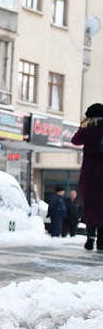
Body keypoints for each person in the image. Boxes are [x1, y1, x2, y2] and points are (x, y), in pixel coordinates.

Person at [72, 103, 103, 252]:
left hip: (90, 174)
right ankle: (102, 242)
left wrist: (83, 125)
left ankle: (91, 236)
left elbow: (75, 140)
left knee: (90, 204)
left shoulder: (88, 130)